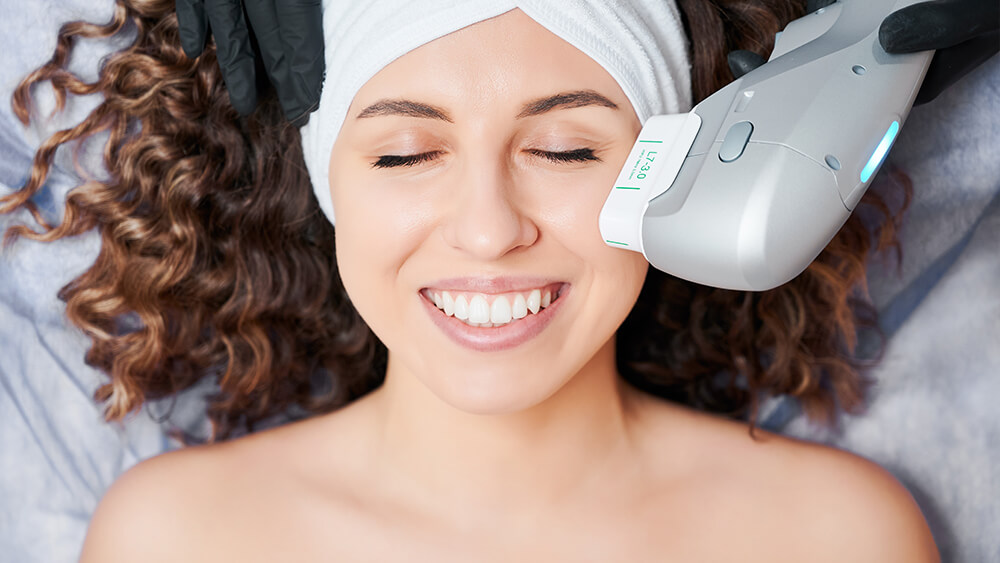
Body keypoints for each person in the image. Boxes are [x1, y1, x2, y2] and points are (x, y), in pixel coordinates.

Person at [1, 0, 948, 560]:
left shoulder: (833, 537)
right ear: (329, 187)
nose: (490, 230)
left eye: (566, 148)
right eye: (408, 156)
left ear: (674, 175)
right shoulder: (180, 540)